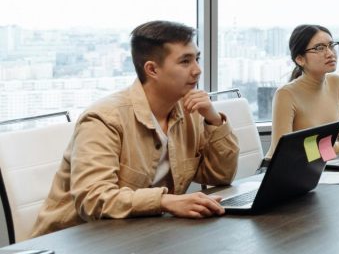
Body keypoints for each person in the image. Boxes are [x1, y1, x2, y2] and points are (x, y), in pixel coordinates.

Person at [32, 21, 239, 237]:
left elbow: (220, 176)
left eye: (197, 58)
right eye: (185, 61)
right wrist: (165, 202)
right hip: (74, 244)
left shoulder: (190, 111)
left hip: (140, 235)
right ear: (152, 69)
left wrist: (213, 120)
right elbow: (93, 199)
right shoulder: (104, 118)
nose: (197, 70)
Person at [268, 24, 339, 159]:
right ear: (300, 59)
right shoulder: (286, 94)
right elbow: (284, 154)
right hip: (278, 173)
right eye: (320, 48)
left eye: (331, 46)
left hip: (321, 168)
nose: (330, 53)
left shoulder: (336, 83)